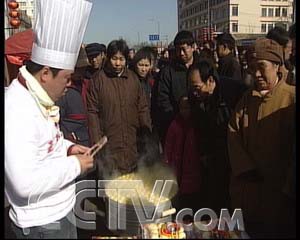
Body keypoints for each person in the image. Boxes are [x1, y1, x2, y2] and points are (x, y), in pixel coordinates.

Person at [5, 0, 95, 239]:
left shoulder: (38, 97)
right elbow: (24, 184)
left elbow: (47, 144)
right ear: (45, 73)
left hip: (60, 210)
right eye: (66, 78)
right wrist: (76, 165)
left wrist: (69, 147)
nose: (70, 85)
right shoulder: (17, 108)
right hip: (42, 225)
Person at [228, 38, 295, 238]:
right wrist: (245, 168)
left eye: (262, 67)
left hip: (279, 196)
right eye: (252, 68)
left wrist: (289, 189)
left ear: (277, 66)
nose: (256, 74)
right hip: (247, 194)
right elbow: (232, 133)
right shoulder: (246, 100)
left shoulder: (291, 99)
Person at [87, 39, 152, 176]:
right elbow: (92, 112)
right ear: (108, 58)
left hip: (132, 143)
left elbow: (143, 108)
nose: (118, 63)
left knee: (132, 186)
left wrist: (146, 134)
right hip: (108, 143)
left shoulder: (133, 79)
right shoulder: (98, 80)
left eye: (121, 59)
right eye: (114, 58)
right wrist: (97, 141)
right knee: (112, 187)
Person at [152, 30, 196, 146]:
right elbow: (162, 100)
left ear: (193, 47)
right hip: (175, 126)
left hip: (198, 126)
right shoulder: (167, 71)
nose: (181, 53)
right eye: (178, 50)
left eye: (184, 49)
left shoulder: (202, 67)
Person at [56, 45, 91, 147]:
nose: (81, 72)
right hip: (72, 144)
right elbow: (57, 121)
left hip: (88, 142)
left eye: (84, 68)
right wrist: (67, 135)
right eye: (79, 69)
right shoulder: (62, 91)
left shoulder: (88, 85)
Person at [216, 33, 246, 111]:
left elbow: (234, 89)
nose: (215, 49)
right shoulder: (222, 63)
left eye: (218, 46)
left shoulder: (233, 64)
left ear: (225, 46)